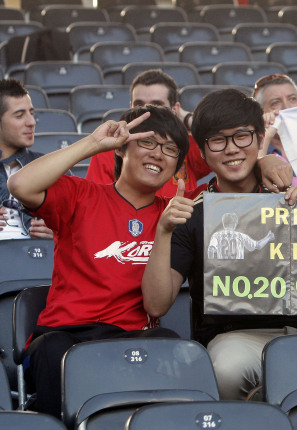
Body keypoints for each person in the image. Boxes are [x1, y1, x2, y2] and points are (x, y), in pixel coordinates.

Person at [141, 89, 297, 400]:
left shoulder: (296, 198)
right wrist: (164, 231)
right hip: (239, 339)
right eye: (217, 141)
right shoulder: (192, 213)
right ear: (202, 149)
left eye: (242, 137)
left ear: (259, 137)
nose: (231, 149)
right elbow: (156, 305)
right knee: (226, 366)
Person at [7, 105, 188, 416]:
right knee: (52, 351)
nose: (158, 154)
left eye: (170, 148)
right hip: (66, 333)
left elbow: (156, 306)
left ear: (178, 166)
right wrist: (92, 143)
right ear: (121, 149)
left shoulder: (174, 215)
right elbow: (20, 185)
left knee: (168, 342)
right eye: (147, 142)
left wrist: (265, 161)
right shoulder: (81, 194)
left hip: (132, 336)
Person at [85, 69, 211, 198]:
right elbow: (99, 202)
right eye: (139, 105)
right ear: (130, 107)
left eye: (157, 105)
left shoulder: (186, 146)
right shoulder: (109, 149)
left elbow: (223, 135)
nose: (147, 113)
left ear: (175, 109)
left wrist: (185, 117)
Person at [0, 78, 53, 240]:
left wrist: (59, 231)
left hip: (40, 259)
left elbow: (82, 225)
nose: (31, 122)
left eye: (31, 113)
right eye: (19, 115)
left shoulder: (48, 167)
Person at [252, 74, 297, 160]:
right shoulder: (249, 146)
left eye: (292, 99)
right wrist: (266, 136)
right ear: (260, 113)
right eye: (275, 103)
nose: (286, 108)